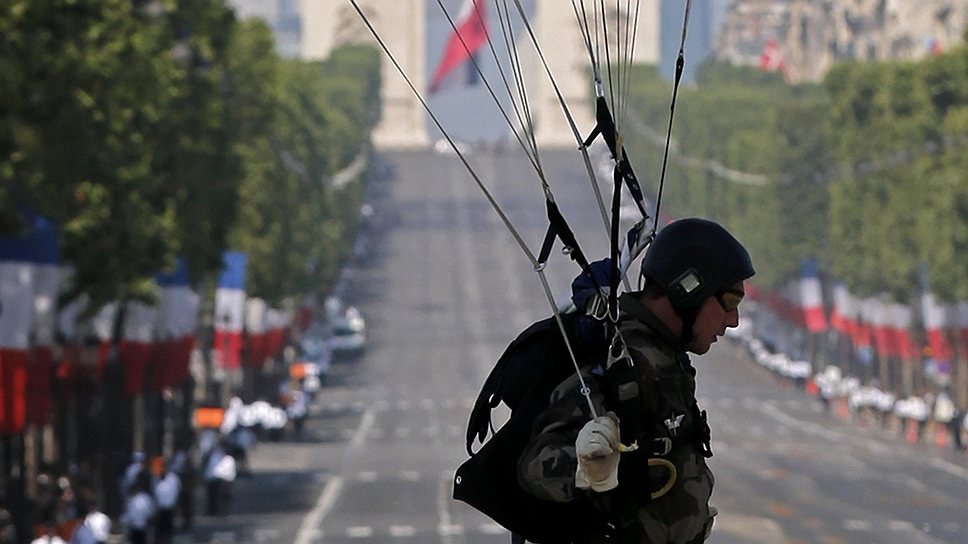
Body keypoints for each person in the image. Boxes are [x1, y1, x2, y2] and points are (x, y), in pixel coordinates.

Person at [518, 217, 754, 543]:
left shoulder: (665, 359)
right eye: (729, 302)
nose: (734, 320)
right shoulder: (619, 360)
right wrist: (592, 469)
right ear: (689, 289)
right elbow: (535, 467)